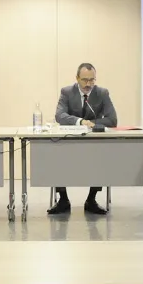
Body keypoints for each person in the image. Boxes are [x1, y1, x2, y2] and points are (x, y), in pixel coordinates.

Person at [50, 63, 118, 215]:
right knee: (56, 156)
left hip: (93, 143)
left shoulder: (102, 93)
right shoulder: (67, 92)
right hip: (69, 142)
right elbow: (59, 116)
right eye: (85, 80)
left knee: (100, 158)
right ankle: (63, 200)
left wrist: (93, 124)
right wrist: (80, 121)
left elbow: (112, 120)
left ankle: (91, 200)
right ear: (77, 78)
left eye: (92, 80)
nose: (88, 84)